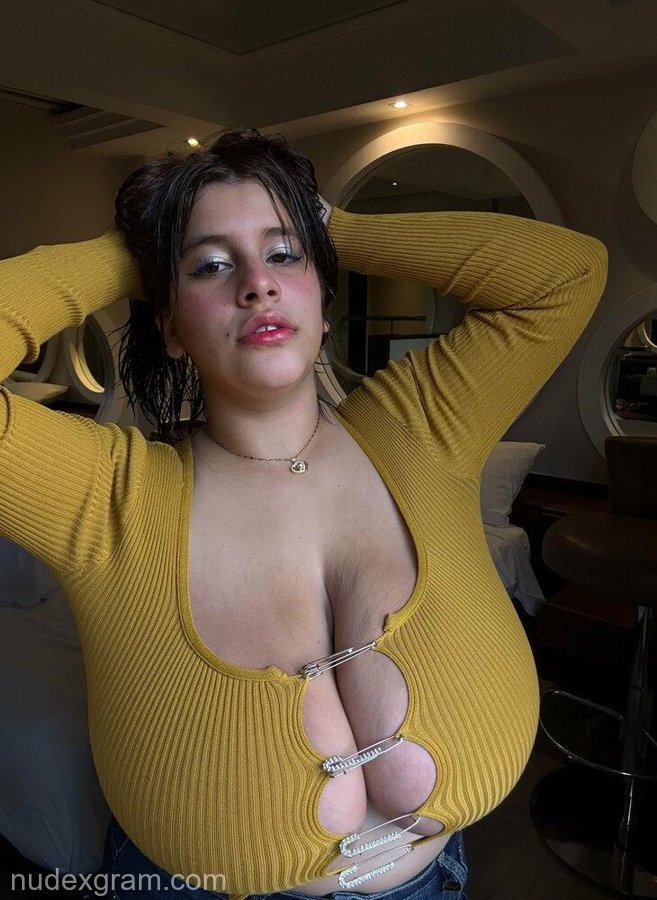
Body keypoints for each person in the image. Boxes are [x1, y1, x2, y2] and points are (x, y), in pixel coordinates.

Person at [0, 129, 607, 900]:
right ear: (171, 327)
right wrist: (138, 250)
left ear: (322, 301)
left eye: (284, 254)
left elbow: (566, 273)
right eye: (211, 266)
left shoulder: (424, 432)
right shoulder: (108, 498)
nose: (257, 283)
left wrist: (335, 227)